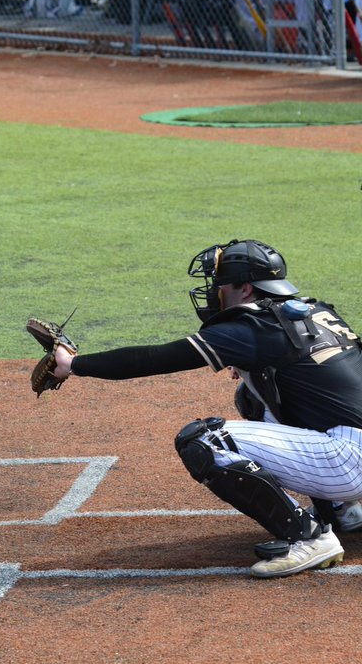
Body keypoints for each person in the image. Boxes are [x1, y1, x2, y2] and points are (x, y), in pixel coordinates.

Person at [47, 239, 362, 578]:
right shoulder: (316, 311)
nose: (215, 292)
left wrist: (73, 364)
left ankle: (310, 537)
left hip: (348, 461)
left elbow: (155, 358)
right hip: (350, 450)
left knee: (206, 441)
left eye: (219, 284)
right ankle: (343, 510)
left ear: (244, 287)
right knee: (253, 396)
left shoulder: (251, 327)